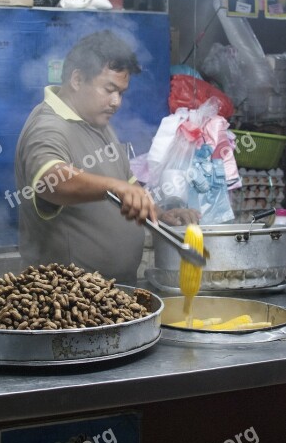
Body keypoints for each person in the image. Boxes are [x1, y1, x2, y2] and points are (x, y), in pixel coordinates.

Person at [15, 30, 199, 285]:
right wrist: (114, 187)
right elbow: (51, 180)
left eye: (121, 92)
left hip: (112, 294)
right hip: (68, 301)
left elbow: (129, 187)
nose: (117, 102)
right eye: (109, 89)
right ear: (77, 79)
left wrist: (159, 214)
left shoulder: (99, 123)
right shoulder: (48, 126)